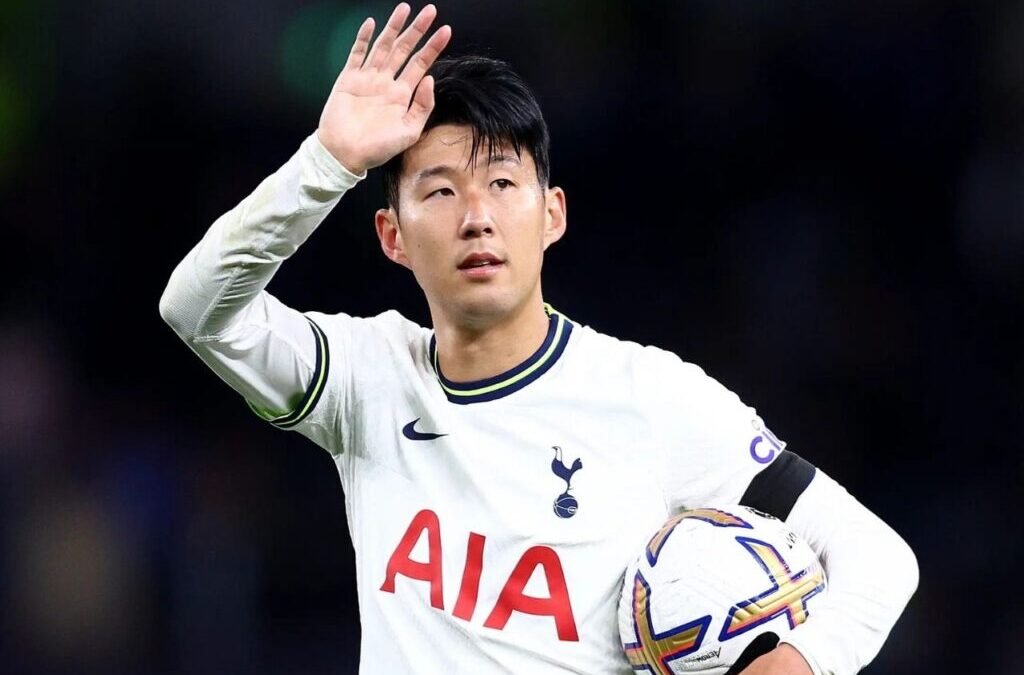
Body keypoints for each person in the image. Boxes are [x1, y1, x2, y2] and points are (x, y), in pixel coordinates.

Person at [159, 3, 918, 673]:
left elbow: (879, 557)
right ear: (392, 235)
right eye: (441, 190)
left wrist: (804, 658)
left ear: (551, 214)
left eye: (501, 183)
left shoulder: (651, 396)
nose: (476, 216)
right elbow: (197, 309)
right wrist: (326, 165)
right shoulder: (367, 381)